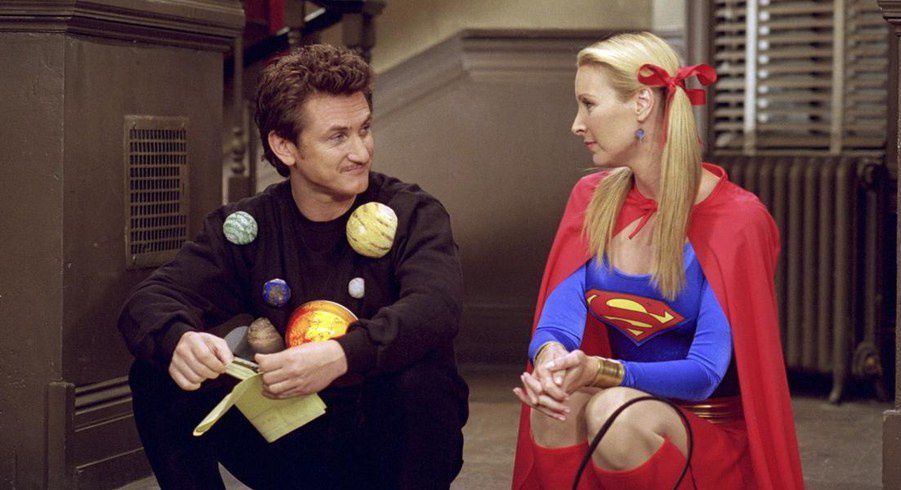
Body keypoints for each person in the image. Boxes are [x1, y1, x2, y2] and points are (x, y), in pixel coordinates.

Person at [118, 44, 468, 489]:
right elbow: (148, 300)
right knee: (160, 371)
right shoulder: (249, 226)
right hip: (288, 437)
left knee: (424, 379)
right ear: (285, 146)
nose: (362, 151)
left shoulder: (412, 212)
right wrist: (180, 340)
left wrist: (341, 356)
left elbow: (436, 307)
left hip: (383, 444)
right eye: (338, 137)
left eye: (364, 129)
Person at [511, 32, 804, 489]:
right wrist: (552, 364)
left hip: (705, 433)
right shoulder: (591, 198)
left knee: (613, 412)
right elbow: (557, 323)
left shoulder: (737, 219)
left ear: (642, 103)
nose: (577, 124)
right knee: (554, 404)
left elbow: (705, 373)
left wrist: (601, 372)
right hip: (623, 406)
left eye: (589, 104)